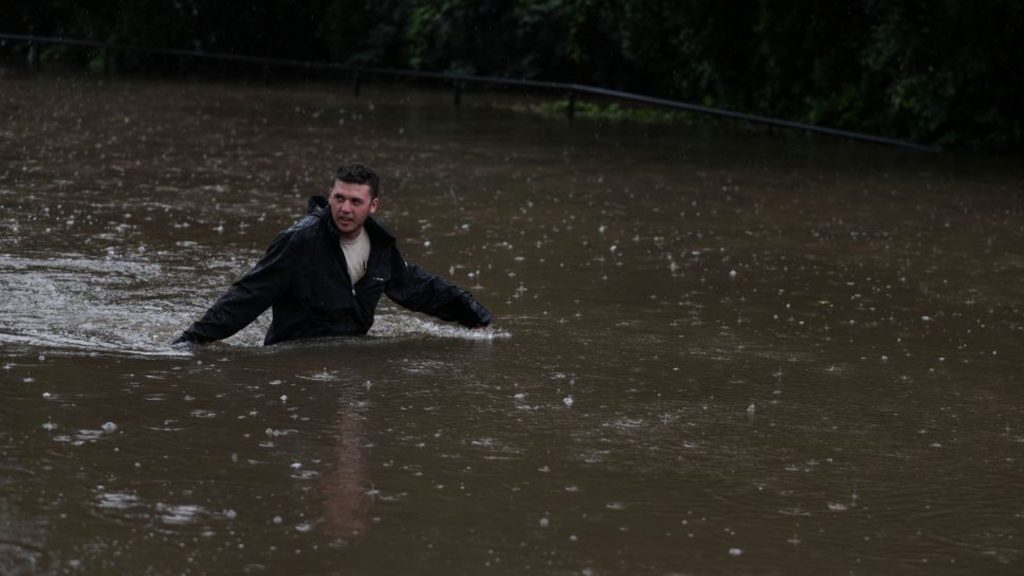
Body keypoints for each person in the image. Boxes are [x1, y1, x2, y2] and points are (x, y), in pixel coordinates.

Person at [173, 163, 492, 347]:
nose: (345, 209)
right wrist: (190, 343)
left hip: (349, 360)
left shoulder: (380, 247)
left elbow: (416, 287)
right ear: (330, 197)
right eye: (339, 198)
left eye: (355, 201)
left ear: (373, 206)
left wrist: (474, 317)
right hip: (294, 359)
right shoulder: (300, 241)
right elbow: (248, 296)